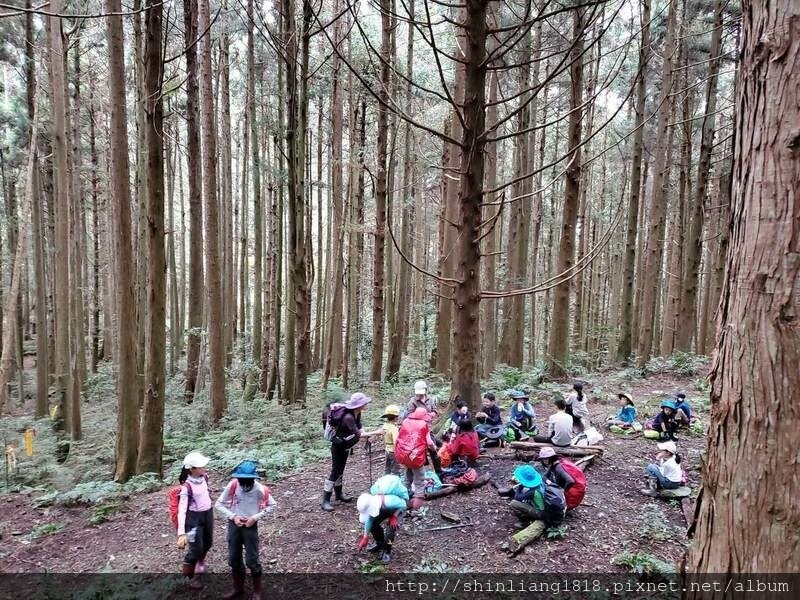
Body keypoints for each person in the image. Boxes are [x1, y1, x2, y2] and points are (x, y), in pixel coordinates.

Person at [215, 461, 277, 600]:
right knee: (234, 557)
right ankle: (238, 588)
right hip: (234, 524)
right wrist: (233, 516)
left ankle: (257, 591)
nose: (244, 484)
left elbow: (272, 505)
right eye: (242, 480)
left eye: (247, 480)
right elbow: (218, 504)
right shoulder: (233, 485)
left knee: (252, 559)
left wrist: (255, 517)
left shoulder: (260, 489)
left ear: (254, 478)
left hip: (250, 525)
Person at [321, 392, 371, 511]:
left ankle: (339, 495)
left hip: (345, 445)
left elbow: (359, 426)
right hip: (338, 446)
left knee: (340, 471)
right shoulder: (348, 417)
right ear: (359, 405)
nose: (366, 404)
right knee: (335, 471)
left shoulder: (356, 413)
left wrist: (364, 431)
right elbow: (359, 434)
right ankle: (325, 500)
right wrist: (378, 432)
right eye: (364, 403)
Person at [176, 452, 213, 589]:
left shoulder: (205, 478)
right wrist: (181, 533)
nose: (204, 468)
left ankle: (200, 562)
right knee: (195, 549)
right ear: (192, 469)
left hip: (208, 513)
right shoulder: (186, 487)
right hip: (193, 519)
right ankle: (187, 578)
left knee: (208, 542)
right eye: (200, 466)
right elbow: (182, 510)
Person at [356, 475, 409, 565]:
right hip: (385, 508)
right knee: (373, 524)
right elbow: (370, 519)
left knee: (391, 529)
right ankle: (379, 543)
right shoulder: (374, 501)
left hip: (398, 508)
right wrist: (365, 536)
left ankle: (387, 550)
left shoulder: (390, 501)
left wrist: (394, 516)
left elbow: (403, 504)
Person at [396, 407, 437, 509]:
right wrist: (434, 449)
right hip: (416, 456)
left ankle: (403, 500)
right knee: (419, 480)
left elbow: (399, 437)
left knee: (407, 477)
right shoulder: (424, 425)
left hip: (405, 454)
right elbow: (429, 442)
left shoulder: (406, 421)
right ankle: (416, 508)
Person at [364, 404, 401, 476]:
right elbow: (395, 442)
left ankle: (385, 481)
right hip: (393, 452)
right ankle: (396, 483)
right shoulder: (394, 429)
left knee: (387, 468)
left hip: (387, 450)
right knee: (395, 470)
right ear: (396, 417)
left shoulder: (385, 425)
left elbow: (379, 433)